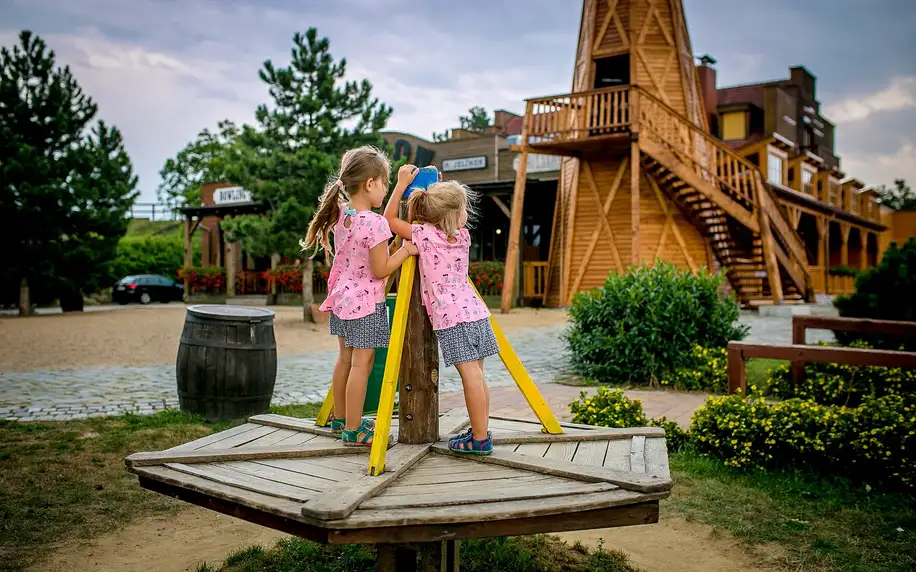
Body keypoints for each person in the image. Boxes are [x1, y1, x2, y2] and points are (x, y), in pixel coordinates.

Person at [300, 146, 418, 447]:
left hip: (342, 299)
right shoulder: (375, 223)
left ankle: (341, 419)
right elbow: (380, 270)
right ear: (370, 184)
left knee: (345, 360)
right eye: (385, 184)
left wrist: (401, 185)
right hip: (366, 304)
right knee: (361, 366)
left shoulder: (343, 216)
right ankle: (354, 429)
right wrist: (405, 250)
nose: (385, 190)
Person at [384, 169, 495, 455]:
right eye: (463, 208)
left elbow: (390, 221)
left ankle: (480, 439)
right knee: (477, 377)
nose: (466, 213)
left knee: (470, 376)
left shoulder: (424, 236)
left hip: (453, 318)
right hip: (476, 312)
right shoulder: (463, 236)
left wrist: (401, 186)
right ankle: (480, 431)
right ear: (454, 215)